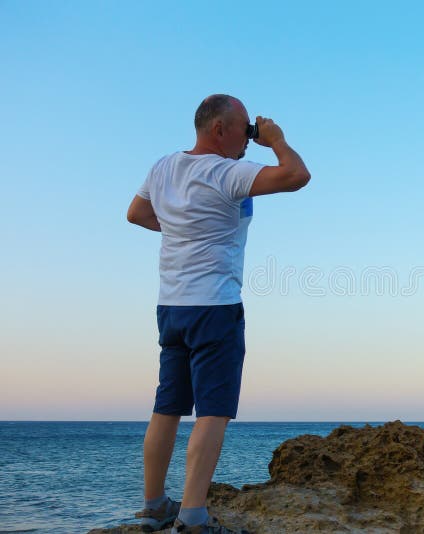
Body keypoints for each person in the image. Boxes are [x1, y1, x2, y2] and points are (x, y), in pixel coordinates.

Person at [126, 94, 310, 534]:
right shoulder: (225, 172)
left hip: (171, 306)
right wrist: (277, 139)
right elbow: (297, 175)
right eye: (245, 128)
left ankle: (154, 507)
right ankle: (193, 516)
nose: (250, 137)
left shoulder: (163, 166)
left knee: (166, 407)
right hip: (215, 307)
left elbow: (136, 214)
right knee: (212, 411)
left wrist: (182, 229)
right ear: (219, 130)